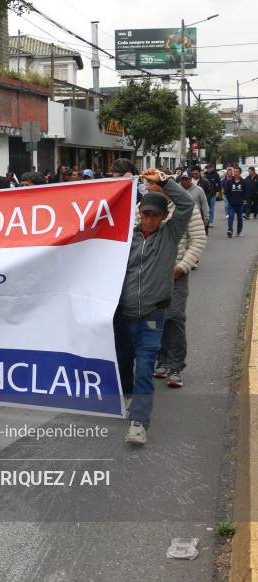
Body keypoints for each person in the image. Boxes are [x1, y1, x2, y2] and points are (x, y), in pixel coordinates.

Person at [114, 169, 193, 445]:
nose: (148, 220)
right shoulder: (126, 238)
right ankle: (128, 399)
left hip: (152, 315)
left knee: (145, 367)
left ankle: (139, 423)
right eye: (145, 214)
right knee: (124, 364)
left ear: (164, 217)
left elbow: (187, 204)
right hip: (122, 316)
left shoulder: (170, 236)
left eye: (154, 215)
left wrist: (163, 182)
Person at [149, 180, 206, 389]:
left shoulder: (186, 209)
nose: (146, 188)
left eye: (151, 184)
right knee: (155, 319)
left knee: (175, 317)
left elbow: (198, 241)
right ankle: (161, 360)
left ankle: (176, 367)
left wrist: (180, 268)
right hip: (151, 277)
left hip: (176, 276)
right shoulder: (141, 208)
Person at [224, 167, 248, 237]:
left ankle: (239, 231)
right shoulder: (229, 182)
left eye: (237, 172)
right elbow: (227, 192)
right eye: (235, 172)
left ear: (240, 173)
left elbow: (246, 192)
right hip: (231, 203)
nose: (235, 173)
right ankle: (230, 230)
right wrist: (230, 200)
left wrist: (243, 200)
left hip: (240, 203)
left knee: (239, 217)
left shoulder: (244, 182)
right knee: (231, 216)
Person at [203, 163, 221, 227]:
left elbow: (219, 183)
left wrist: (216, 190)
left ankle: (210, 221)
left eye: (209, 168)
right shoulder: (204, 174)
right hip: (205, 195)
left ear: (212, 168)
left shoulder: (216, 174)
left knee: (211, 209)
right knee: (205, 208)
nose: (208, 169)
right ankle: (205, 221)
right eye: (207, 168)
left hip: (213, 194)